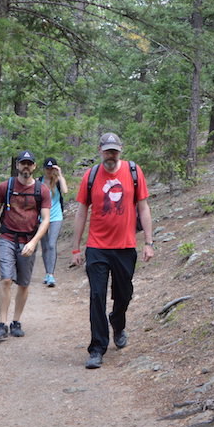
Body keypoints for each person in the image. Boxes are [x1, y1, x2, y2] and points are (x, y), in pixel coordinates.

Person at [71, 133, 154, 369]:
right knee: (97, 296)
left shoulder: (134, 172)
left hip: (126, 246)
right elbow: (81, 212)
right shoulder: (91, 175)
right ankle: (97, 348)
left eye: (114, 150)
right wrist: (76, 247)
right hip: (97, 247)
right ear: (100, 150)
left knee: (124, 293)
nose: (111, 154)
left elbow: (144, 208)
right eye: (107, 150)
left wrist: (149, 242)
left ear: (121, 150)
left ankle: (117, 323)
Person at [0, 150, 52, 340]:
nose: (26, 167)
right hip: (7, 237)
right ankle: (1, 323)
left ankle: (16, 321)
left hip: (28, 240)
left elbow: (46, 220)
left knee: (23, 283)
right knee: (6, 279)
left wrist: (34, 241)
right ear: (17, 165)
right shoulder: (5, 187)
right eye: (23, 163)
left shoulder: (42, 190)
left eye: (29, 164)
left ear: (34, 167)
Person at [38, 157, 68, 287]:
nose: (49, 171)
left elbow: (65, 191)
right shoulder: (38, 181)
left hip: (56, 216)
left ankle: (51, 274)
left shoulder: (57, 181)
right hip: (41, 217)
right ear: (44, 169)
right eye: (47, 168)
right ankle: (47, 272)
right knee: (44, 246)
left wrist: (60, 174)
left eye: (52, 168)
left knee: (51, 244)